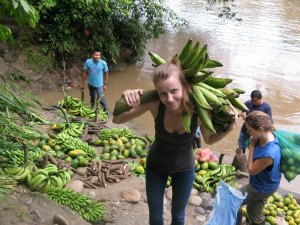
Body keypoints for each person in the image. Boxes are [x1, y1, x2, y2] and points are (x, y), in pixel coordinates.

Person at [113, 58, 238, 225]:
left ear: (184, 87)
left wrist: (229, 129)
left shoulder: (199, 109)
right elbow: (117, 119)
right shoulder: (155, 104)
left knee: (178, 218)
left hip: (184, 169)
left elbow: (209, 139)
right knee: (156, 218)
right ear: (157, 93)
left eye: (174, 91)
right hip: (156, 166)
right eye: (163, 93)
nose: (169, 98)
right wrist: (125, 97)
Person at [235, 111, 281, 225]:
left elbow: (251, 170)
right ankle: (257, 221)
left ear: (260, 129)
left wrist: (251, 146)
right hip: (266, 183)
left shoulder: (269, 153)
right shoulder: (266, 134)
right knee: (254, 212)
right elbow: (255, 117)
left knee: (233, 200)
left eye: (250, 130)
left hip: (261, 187)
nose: (248, 132)